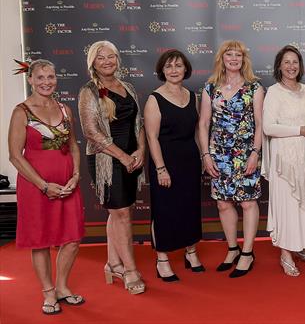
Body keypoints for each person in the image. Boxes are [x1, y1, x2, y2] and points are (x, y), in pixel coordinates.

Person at [9, 59, 85, 314]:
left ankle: (63, 287)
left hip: (67, 184)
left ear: (56, 79)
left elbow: (74, 145)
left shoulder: (65, 109)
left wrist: (75, 175)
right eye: (40, 77)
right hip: (36, 186)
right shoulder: (21, 111)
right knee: (40, 241)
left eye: (50, 77)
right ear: (30, 80)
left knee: (72, 239)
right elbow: (15, 156)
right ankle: (48, 292)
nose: (46, 82)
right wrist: (43, 186)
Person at [78, 40, 146, 294]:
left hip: (131, 157)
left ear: (117, 59)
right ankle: (129, 271)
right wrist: (123, 157)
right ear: (92, 63)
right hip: (107, 160)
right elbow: (91, 133)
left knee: (118, 212)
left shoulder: (127, 87)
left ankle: (113, 263)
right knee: (122, 214)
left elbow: (137, 123)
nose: (107, 61)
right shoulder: (89, 91)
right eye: (100, 58)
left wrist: (140, 151)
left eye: (111, 57)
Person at [198, 40, 265, 278]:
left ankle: (247, 253)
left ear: (243, 59)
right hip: (219, 155)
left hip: (246, 154)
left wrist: (255, 153)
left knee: (248, 202)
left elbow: (259, 124)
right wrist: (206, 155)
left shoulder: (255, 88)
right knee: (223, 203)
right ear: (222, 59)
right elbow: (204, 123)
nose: (234, 58)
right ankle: (233, 249)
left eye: (238, 55)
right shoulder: (210, 88)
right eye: (229, 54)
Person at [262, 45, 305, 277]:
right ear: (279, 65)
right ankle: (285, 254)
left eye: (295, 62)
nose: (291, 66)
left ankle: (302, 248)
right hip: (284, 162)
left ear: (300, 66)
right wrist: (299, 130)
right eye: (287, 62)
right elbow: (269, 127)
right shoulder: (273, 92)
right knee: (288, 206)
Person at [143, 49, 204, 282]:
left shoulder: (192, 96)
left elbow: (197, 132)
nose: (174, 70)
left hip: (189, 160)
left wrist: (200, 157)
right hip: (165, 161)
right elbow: (151, 137)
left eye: (178, 66)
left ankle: (191, 252)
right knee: (165, 210)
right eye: (168, 67)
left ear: (185, 69)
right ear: (162, 71)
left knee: (189, 207)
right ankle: (162, 259)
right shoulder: (154, 99)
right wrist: (160, 168)